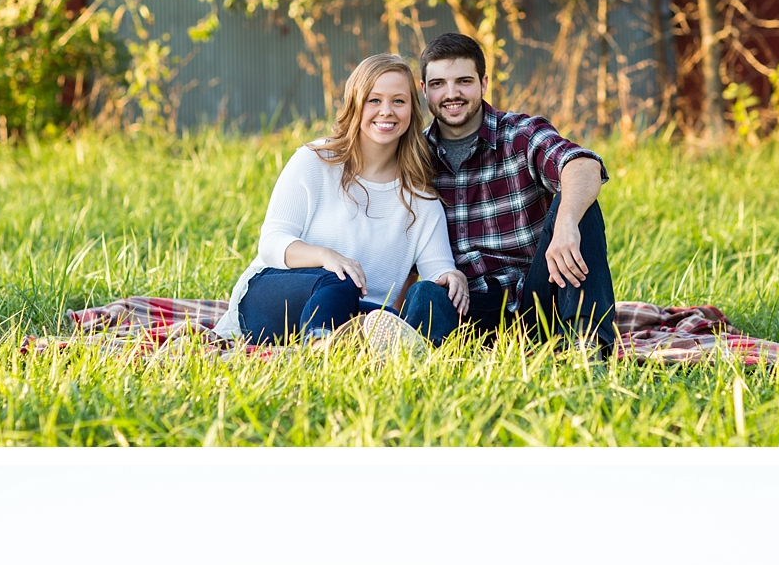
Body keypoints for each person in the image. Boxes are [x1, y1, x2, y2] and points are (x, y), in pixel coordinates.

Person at [213, 53, 469, 348]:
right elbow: (271, 243)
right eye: (374, 100)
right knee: (339, 278)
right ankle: (320, 348)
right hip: (273, 299)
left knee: (430, 294)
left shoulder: (421, 198)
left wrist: (451, 277)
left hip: (356, 313)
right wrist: (326, 257)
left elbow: (437, 269)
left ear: (412, 110)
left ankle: (418, 352)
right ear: (355, 104)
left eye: (398, 101)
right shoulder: (315, 161)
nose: (386, 111)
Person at [416, 32, 617, 351]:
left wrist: (565, 224)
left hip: (537, 302)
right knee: (427, 296)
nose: (451, 93)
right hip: (466, 310)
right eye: (439, 83)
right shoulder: (414, 155)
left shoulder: (519, 134)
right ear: (424, 90)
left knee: (578, 203)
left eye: (463, 81)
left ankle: (587, 344)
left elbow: (583, 165)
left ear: (483, 83)